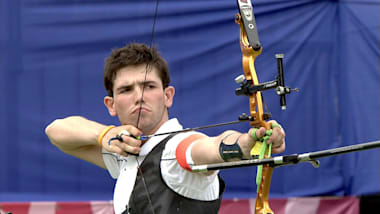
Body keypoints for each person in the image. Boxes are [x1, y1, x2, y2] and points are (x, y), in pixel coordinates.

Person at [45, 43, 285, 214]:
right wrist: (104, 134)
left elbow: (210, 147)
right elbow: (56, 131)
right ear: (111, 104)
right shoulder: (127, 151)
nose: (139, 96)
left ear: (167, 96)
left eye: (149, 86)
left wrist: (246, 143)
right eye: (126, 90)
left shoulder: (179, 147)